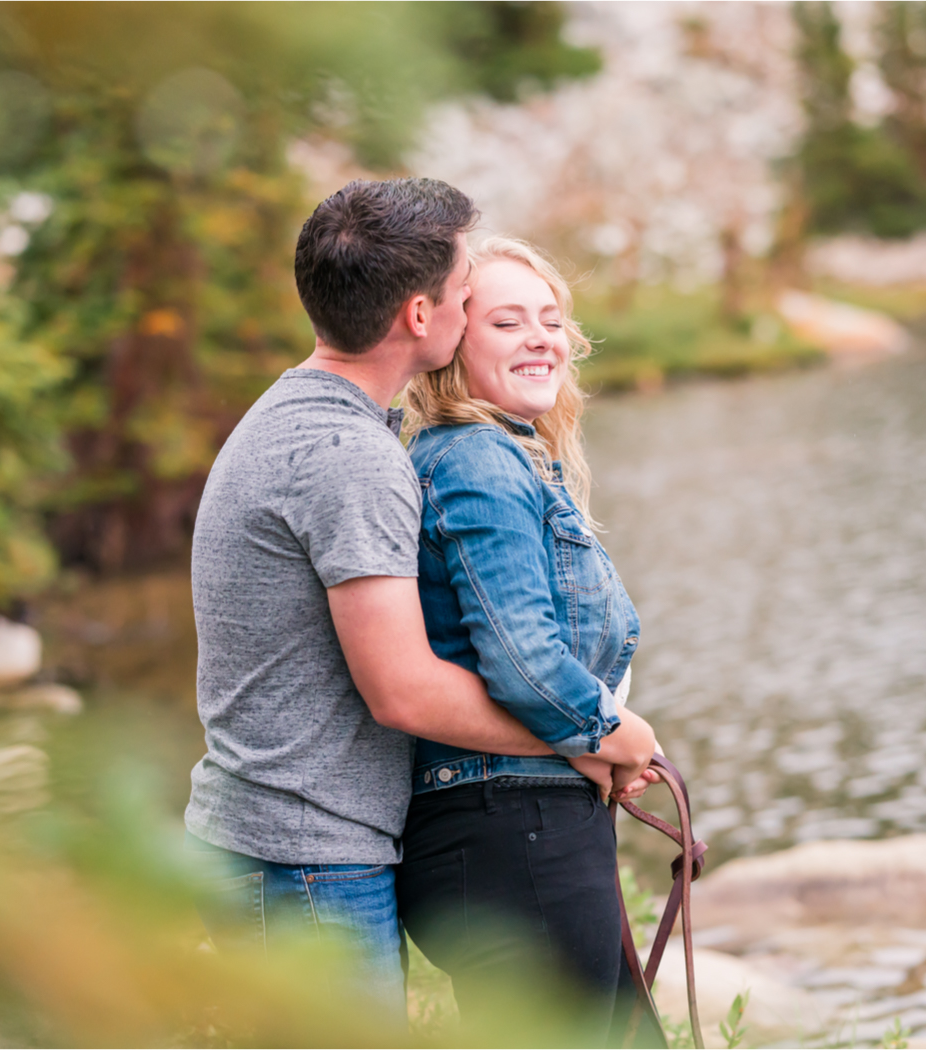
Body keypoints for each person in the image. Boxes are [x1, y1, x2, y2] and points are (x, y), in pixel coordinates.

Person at [181, 180, 654, 1012]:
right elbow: (402, 689)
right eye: (469, 294)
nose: (478, 308)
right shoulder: (350, 455)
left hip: (291, 839)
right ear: (421, 317)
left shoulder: (308, 419)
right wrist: (596, 736)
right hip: (305, 850)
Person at [396, 237, 659, 1039]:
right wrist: (614, 734)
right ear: (450, 343)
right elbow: (523, 658)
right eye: (508, 321)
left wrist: (590, 751)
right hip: (511, 831)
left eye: (551, 319)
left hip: (520, 825)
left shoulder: (507, 456)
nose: (542, 338)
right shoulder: (476, 460)